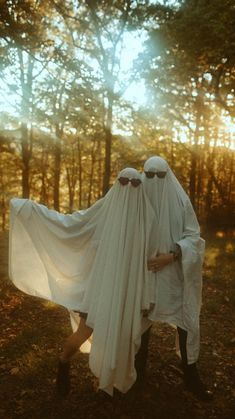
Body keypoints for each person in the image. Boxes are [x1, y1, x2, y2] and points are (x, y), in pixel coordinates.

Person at [9, 168, 157, 396]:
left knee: (118, 333)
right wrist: (32, 210)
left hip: (127, 288)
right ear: (117, 186)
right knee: (86, 330)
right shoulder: (104, 212)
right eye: (125, 184)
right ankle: (63, 361)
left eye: (134, 184)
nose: (129, 190)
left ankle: (104, 379)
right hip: (100, 287)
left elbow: (150, 257)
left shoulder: (146, 217)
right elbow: (70, 224)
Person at [139, 155, 212, 401]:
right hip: (144, 274)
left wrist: (171, 256)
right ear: (143, 175)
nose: (155, 181)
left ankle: (191, 376)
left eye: (160, 176)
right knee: (139, 326)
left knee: (185, 322)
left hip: (173, 273)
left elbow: (194, 237)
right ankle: (137, 376)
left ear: (167, 175)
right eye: (149, 176)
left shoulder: (181, 201)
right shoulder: (136, 199)